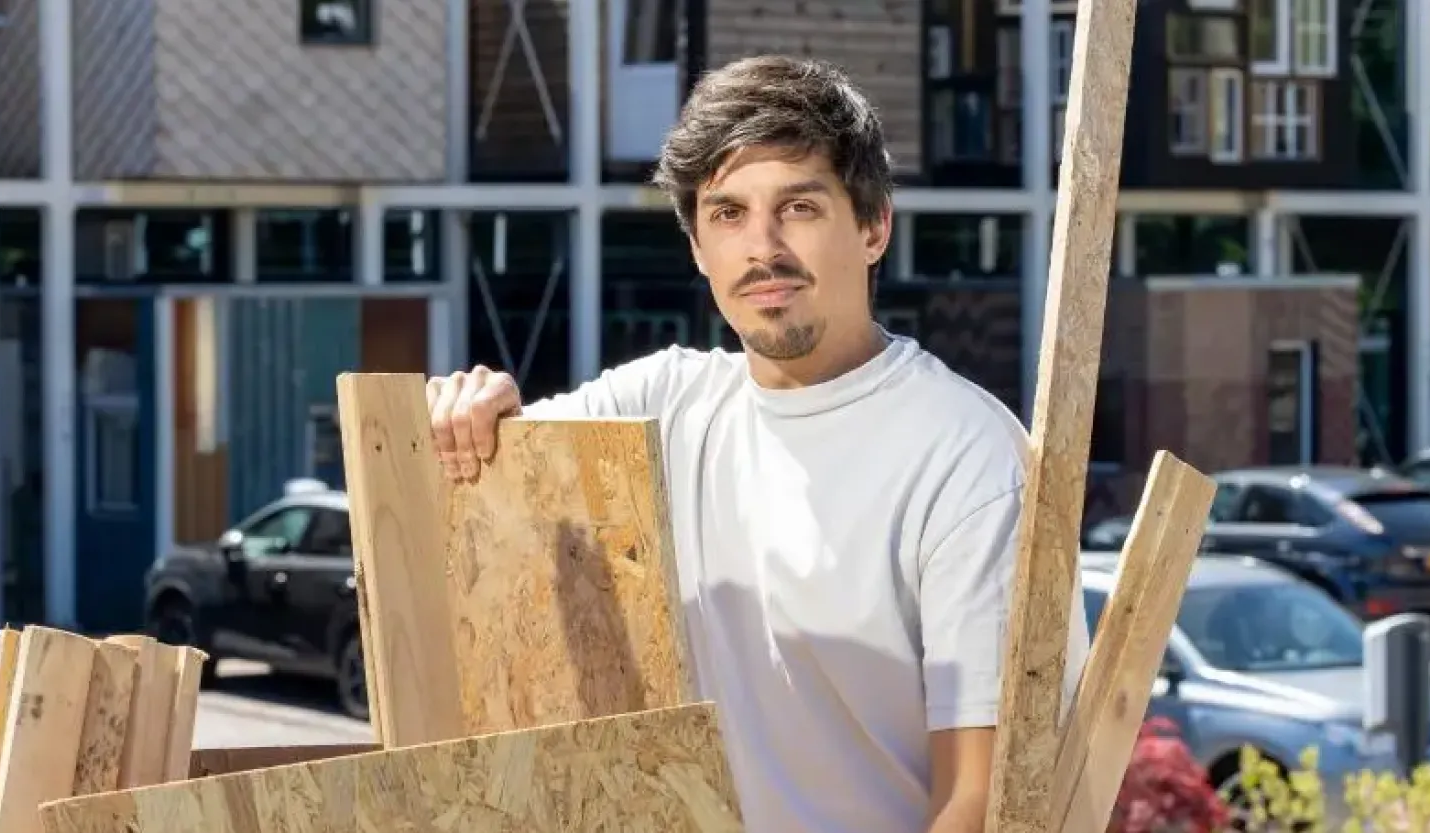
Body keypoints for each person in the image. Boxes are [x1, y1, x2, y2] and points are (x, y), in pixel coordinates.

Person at [425, 55, 1090, 833]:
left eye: (799, 207)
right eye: (728, 214)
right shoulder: (659, 407)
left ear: (873, 227)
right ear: (698, 248)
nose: (762, 247)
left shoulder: (967, 458)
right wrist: (471, 409)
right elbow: (476, 474)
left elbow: (982, 800)